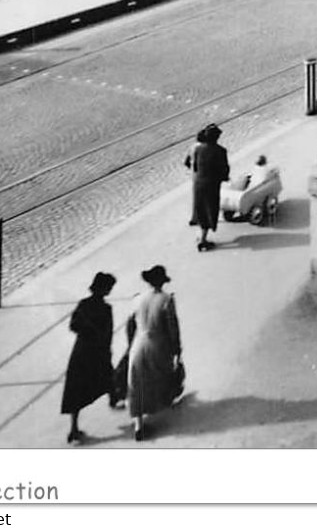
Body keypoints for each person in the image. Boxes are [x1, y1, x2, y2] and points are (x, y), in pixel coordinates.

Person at [125, 265, 182, 441]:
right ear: (162, 282)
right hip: (158, 344)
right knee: (158, 375)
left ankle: (138, 425)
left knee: (136, 383)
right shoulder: (166, 300)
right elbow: (173, 327)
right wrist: (176, 348)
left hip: (138, 343)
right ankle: (162, 401)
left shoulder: (138, 299)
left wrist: (130, 345)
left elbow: (130, 325)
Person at [60, 272, 117, 444]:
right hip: (97, 350)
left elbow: (73, 325)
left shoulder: (83, 304)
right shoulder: (107, 309)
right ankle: (113, 398)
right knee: (107, 374)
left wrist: (87, 331)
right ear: (106, 290)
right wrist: (104, 346)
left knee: (75, 389)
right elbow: (108, 334)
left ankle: (73, 428)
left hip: (81, 350)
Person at [186, 124, 230, 251]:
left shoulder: (198, 149)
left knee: (200, 208)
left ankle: (201, 235)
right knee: (209, 209)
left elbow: (191, 165)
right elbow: (224, 169)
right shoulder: (220, 151)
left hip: (198, 183)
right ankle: (203, 240)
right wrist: (225, 178)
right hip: (211, 185)